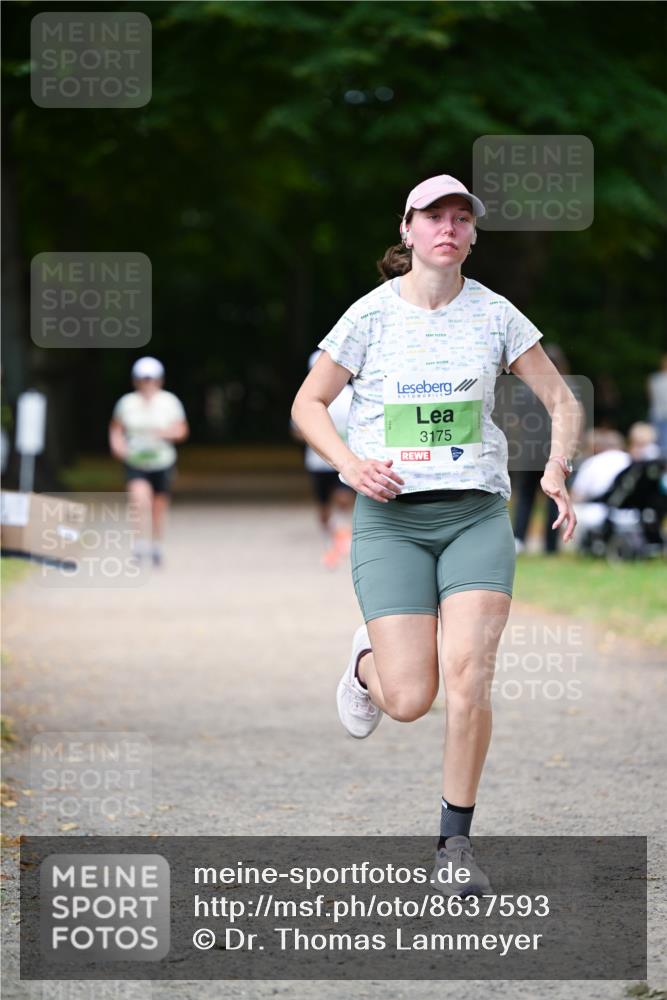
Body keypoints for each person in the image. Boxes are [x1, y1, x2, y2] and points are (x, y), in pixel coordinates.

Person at [291, 174, 581, 896]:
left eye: (460, 218)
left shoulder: (496, 316)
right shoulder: (367, 317)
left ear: (473, 235)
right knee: (409, 698)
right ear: (408, 229)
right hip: (391, 521)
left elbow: (559, 399)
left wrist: (554, 468)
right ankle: (366, 667)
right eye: (432, 217)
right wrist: (350, 465)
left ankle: (454, 847)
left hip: (475, 515)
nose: (446, 228)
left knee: (469, 680)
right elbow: (309, 403)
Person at [108, 356, 189, 566]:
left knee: (158, 505)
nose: (148, 384)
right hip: (135, 460)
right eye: (143, 379)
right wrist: (117, 445)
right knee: (139, 500)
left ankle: (156, 543)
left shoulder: (169, 402)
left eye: (151, 379)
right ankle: (139, 543)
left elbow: (182, 430)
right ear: (136, 381)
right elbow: (116, 428)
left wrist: (166, 433)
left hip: (162, 460)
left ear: (159, 380)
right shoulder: (127, 403)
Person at [290, 349, 355, 568]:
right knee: (323, 509)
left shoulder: (350, 396)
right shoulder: (306, 398)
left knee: (344, 499)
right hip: (318, 462)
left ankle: (342, 534)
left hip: (346, 460)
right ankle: (332, 538)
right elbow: (297, 430)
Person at [647, 354, 667, 457]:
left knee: (656, 441)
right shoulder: (655, 378)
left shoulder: (654, 379)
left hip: (656, 412)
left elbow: (650, 396)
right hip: (659, 413)